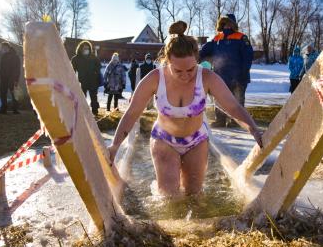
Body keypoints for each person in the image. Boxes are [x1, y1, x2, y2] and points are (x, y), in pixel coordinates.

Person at [108, 21, 262, 197]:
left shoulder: (206, 77)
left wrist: (253, 129)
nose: (185, 76)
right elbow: (132, 113)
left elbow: (233, 106)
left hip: (196, 140)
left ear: (196, 60)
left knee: (194, 194)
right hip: (164, 140)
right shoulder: (155, 78)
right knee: (169, 196)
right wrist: (114, 145)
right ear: (167, 62)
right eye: (178, 71)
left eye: (190, 69)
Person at [199, 14, 253, 127]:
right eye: (224, 23)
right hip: (221, 76)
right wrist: (194, 56)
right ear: (221, 24)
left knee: (237, 100)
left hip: (238, 76)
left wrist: (243, 73)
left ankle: (235, 121)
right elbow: (204, 51)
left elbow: (248, 57)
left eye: (229, 23)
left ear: (233, 24)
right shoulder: (217, 38)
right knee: (220, 99)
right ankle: (220, 120)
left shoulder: (241, 37)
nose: (227, 26)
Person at [71, 41, 101, 115]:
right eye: (84, 48)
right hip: (82, 81)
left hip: (93, 81)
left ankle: (95, 111)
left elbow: (99, 66)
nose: (86, 49)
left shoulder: (93, 57)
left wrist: (95, 73)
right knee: (82, 97)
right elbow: (72, 70)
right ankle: (82, 112)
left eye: (88, 48)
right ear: (80, 49)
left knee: (94, 97)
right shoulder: (76, 58)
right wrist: (72, 80)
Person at [0, 42, 21, 114]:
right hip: (3, 78)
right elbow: (2, 67)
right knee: (3, 93)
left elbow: (17, 69)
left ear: (7, 47)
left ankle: (15, 110)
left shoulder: (15, 56)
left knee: (14, 94)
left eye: (2, 48)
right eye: (1, 48)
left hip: (12, 78)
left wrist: (15, 79)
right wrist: (0, 72)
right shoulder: (3, 56)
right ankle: (3, 109)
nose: (1, 49)